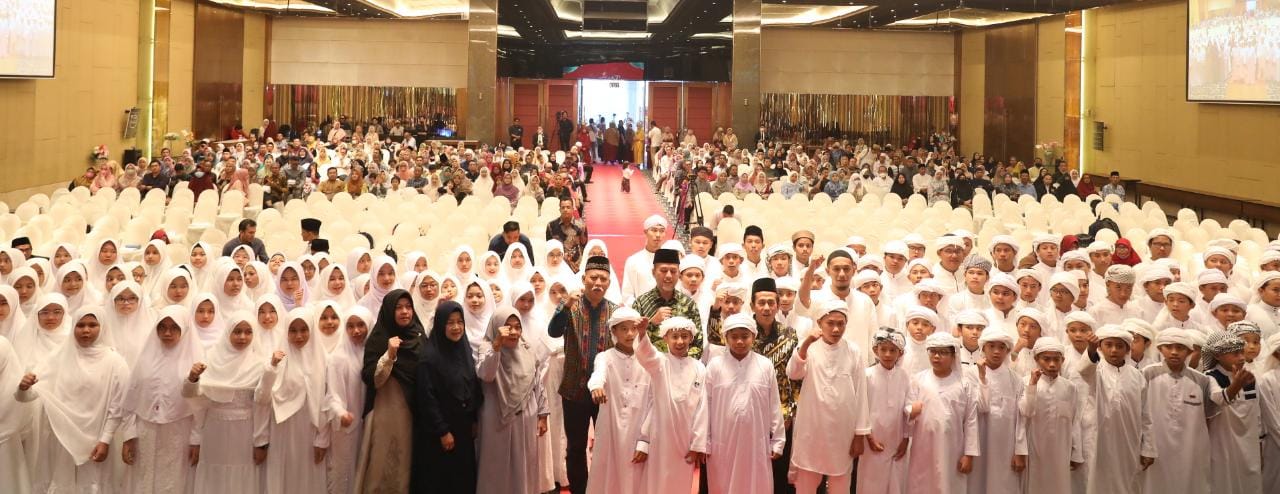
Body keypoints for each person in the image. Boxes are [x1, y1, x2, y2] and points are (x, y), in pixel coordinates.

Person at [17, 306, 130, 494]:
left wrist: (105, 439)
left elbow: (118, 406)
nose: (86, 330)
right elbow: (30, 395)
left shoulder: (115, 362)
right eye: (81, 325)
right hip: (61, 437)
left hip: (96, 438)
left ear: (102, 327)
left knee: (93, 484)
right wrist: (23, 388)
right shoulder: (59, 356)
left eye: (93, 325)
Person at [547, 256, 619, 494]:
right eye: (593, 278)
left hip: (605, 392)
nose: (598, 282)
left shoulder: (616, 312)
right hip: (574, 390)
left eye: (603, 278)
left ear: (609, 282)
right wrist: (565, 305)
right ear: (584, 279)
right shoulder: (570, 307)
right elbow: (554, 331)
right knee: (576, 447)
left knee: (605, 446)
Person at [787, 300, 871, 494]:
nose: (835, 329)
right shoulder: (808, 347)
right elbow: (793, 373)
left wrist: (860, 434)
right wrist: (806, 343)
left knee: (840, 483)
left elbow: (860, 394)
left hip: (843, 431)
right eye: (830, 323)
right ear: (819, 323)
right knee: (806, 481)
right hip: (812, 429)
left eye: (840, 323)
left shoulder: (853, 351)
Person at [120, 306, 204, 494]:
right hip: (146, 431)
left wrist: (196, 439)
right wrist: (128, 436)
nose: (167, 333)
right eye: (162, 327)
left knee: (174, 481)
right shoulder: (145, 358)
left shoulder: (195, 360)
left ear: (184, 329)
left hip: (179, 431)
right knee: (143, 479)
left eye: (174, 327)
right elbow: (131, 398)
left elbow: (200, 406)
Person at [184, 312, 270, 494]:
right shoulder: (211, 362)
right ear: (227, 333)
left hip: (245, 433)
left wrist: (260, 442)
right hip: (215, 432)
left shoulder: (259, 365)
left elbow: (262, 407)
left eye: (248, 332)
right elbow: (197, 403)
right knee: (214, 477)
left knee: (241, 478)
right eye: (237, 331)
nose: (242, 337)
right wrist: (192, 378)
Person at [704, 313, 785, 493]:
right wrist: (705, 441)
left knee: (755, 486)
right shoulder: (715, 366)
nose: (739, 341)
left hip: (756, 442)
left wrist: (778, 440)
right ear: (726, 338)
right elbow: (706, 407)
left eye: (744, 336)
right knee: (722, 485)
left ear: (753, 337)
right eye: (734, 337)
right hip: (722, 442)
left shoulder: (764, 365)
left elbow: (774, 405)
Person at [356, 289, 424, 493]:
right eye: (399, 307)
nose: (405, 312)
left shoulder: (419, 337)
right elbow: (371, 378)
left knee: (406, 464)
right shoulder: (379, 338)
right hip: (385, 412)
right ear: (388, 311)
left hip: (412, 414)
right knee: (380, 464)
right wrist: (389, 355)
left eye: (408, 307)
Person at [476, 307, 549, 494]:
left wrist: (542, 414)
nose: (514, 332)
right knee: (495, 467)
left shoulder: (526, 349)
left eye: (518, 327)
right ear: (498, 327)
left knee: (523, 465)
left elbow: (537, 382)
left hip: (525, 415)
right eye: (508, 327)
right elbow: (487, 374)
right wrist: (497, 345)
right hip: (496, 415)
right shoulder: (486, 346)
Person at [413, 301, 483, 494]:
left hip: (463, 427)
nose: (456, 327)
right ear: (440, 324)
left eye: (460, 322)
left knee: (463, 479)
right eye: (450, 322)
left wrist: (474, 419)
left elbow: (472, 385)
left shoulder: (464, 349)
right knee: (442, 481)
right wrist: (443, 431)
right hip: (440, 433)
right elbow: (427, 398)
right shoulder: (429, 357)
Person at [632, 316, 707, 494]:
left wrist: (697, 445)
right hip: (660, 439)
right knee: (656, 485)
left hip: (685, 441)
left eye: (684, 336)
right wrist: (642, 333)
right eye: (674, 337)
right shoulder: (659, 363)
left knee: (681, 485)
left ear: (691, 338)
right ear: (665, 338)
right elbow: (646, 354)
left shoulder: (700, 368)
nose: (680, 341)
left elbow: (702, 409)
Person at [1073, 324, 1151, 494]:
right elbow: (1084, 370)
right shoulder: (1096, 370)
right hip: (1098, 440)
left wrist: (1148, 448)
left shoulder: (1137, 376)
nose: (1114, 350)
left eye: (1119, 346)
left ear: (1127, 349)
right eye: (1108, 345)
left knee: (1128, 483)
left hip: (1128, 441)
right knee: (1097, 483)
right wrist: (1091, 350)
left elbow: (1146, 414)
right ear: (1100, 347)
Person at [263, 308, 332, 494]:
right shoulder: (277, 360)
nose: (299, 336)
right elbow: (262, 397)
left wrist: (322, 438)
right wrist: (271, 367)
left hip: (311, 429)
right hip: (284, 430)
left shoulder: (323, 360)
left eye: (304, 329)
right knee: (285, 474)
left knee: (308, 475)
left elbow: (327, 399)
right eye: (293, 330)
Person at [904, 332, 979, 494]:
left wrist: (969, 455)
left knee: (948, 485)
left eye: (943, 352)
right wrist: (911, 410)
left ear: (953, 356)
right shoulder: (918, 380)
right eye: (933, 351)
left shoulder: (964, 385)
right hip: (922, 447)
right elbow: (906, 409)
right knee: (922, 485)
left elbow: (971, 422)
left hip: (953, 450)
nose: (937, 356)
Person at [585, 307, 649, 494]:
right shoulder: (605, 357)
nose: (630, 334)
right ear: (613, 331)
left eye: (634, 328)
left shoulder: (648, 360)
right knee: (608, 478)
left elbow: (654, 402)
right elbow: (598, 375)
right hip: (611, 428)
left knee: (637, 478)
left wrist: (645, 441)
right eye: (623, 329)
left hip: (640, 430)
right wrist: (596, 387)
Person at [1142, 328, 1211, 494]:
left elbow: (1208, 415)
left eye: (1180, 348)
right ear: (1160, 349)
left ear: (1189, 351)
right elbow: (1140, 413)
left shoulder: (1200, 380)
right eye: (1169, 347)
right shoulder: (1147, 374)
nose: (1174, 352)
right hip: (1156, 447)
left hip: (1190, 448)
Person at [1019, 336, 1084, 494]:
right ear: (1036, 359)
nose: (1052, 364)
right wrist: (1032, 386)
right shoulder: (1024, 382)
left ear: (1063, 360)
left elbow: (1075, 421)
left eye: (1056, 359)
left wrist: (1076, 453)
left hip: (1060, 451)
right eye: (1046, 359)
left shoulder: (1070, 388)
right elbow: (1025, 413)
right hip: (1034, 451)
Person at [1201, 330, 1262, 494]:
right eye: (1235, 353)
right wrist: (1236, 384)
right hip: (1222, 445)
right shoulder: (1209, 377)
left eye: (1241, 352)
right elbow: (1219, 399)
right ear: (1218, 355)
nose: (1241, 357)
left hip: (1249, 446)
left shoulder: (1249, 377)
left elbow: (1256, 412)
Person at [856, 328, 911, 494]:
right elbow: (861, 407)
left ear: (900, 353)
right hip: (871, 439)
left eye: (892, 350)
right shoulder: (867, 375)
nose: (887, 354)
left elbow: (908, 409)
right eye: (883, 349)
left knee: (896, 483)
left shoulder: (904, 376)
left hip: (897, 439)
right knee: (870, 483)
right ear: (875, 350)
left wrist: (906, 439)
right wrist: (869, 437)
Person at [325, 307, 371, 494]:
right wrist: (341, 414)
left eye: (361, 325)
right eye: (350, 326)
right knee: (343, 474)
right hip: (346, 428)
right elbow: (332, 395)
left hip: (367, 426)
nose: (356, 331)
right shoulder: (339, 357)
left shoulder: (371, 354)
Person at [631, 248, 704, 360]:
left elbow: (697, 344)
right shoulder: (641, 303)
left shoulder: (689, 304)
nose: (669, 275)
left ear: (679, 274)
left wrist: (680, 364)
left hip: (682, 370)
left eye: (673, 271)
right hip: (648, 369)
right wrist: (652, 323)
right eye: (664, 270)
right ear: (653, 272)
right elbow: (632, 340)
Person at [621, 215, 668, 304]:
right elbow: (627, 294)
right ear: (645, 232)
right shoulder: (633, 260)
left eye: (661, 231)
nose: (658, 235)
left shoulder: (670, 260)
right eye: (654, 230)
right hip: (641, 314)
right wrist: (641, 311)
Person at [546, 201, 589, 272]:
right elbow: (549, 246)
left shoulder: (581, 226)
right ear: (559, 210)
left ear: (572, 209)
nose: (565, 210)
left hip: (576, 264)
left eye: (568, 207)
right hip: (557, 263)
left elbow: (584, 246)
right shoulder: (551, 226)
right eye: (563, 207)